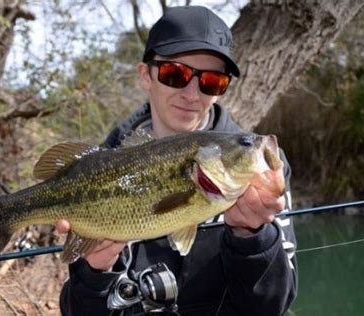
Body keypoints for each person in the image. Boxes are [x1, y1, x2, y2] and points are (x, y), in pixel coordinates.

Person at [58, 5, 297, 315]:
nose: (192, 93)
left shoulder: (261, 168)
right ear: (146, 75)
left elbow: (272, 306)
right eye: (176, 74)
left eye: (211, 81)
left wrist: (253, 238)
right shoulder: (101, 169)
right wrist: (95, 274)